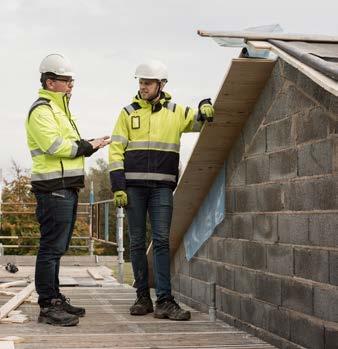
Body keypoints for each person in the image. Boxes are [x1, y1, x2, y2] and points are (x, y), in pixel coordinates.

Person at [108, 60, 214, 321]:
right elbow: (115, 151)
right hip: (132, 189)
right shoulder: (127, 113)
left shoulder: (176, 112)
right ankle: (142, 297)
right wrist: (118, 187)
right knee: (136, 243)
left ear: (161, 85)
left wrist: (205, 103)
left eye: (147, 83)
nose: (143, 87)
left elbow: (201, 120)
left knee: (162, 243)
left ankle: (165, 300)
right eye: (141, 82)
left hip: (161, 189)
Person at [25, 53, 110, 326]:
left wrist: (90, 143)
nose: (71, 85)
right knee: (50, 248)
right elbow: (55, 146)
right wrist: (88, 146)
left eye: (72, 81)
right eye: (66, 81)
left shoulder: (60, 110)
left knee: (58, 248)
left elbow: (69, 145)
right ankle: (48, 306)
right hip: (53, 189)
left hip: (67, 187)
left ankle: (55, 298)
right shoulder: (42, 111)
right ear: (50, 82)